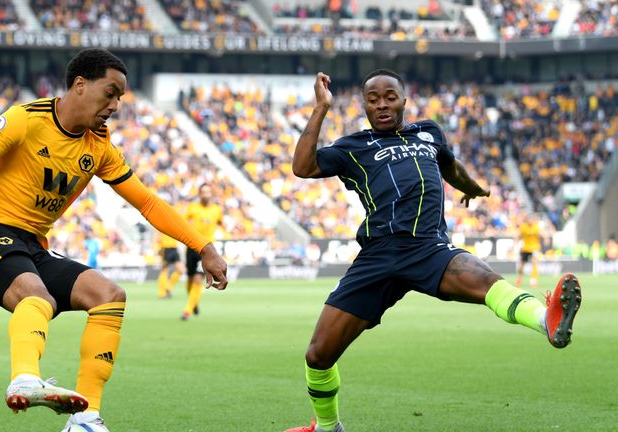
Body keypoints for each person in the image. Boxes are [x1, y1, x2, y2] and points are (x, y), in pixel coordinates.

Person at [0, 48, 228, 432]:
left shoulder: (99, 146)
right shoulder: (26, 119)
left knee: (110, 295)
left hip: (33, 245)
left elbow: (147, 203)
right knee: (37, 296)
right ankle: (24, 378)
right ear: (80, 85)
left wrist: (204, 246)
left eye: (121, 97)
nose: (116, 105)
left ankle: (86, 420)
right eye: (111, 92)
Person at [284, 70, 582, 432]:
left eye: (389, 96)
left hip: (429, 247)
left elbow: (449, 167)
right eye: (373, 98)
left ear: (404, 101)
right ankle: (328, 428)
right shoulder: (353, 147)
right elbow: (302, 167)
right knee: (318, 355)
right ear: (364, 105)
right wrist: (321, 108)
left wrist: (474, 188)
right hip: (378, 255)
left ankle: (546, 320)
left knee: (487, 280)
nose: (381, 104)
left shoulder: (428, 132)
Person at [182, 183, 223, 320]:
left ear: (211, 194)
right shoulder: (193, 208)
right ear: (200, 194)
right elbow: (182, 222)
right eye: (203, 192)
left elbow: (221, 223)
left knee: (199, 279)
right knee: (189, 279)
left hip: (206, 250)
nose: (206, 194)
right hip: (191, 247)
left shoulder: (216, 210)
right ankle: (193, 303)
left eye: (208, 192)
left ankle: (187, 311)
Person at [515, 213, 541, 288]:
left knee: (534, 263)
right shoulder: (523, 227)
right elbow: (519, 235)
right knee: (522, 265)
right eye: (529, 219)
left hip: (534, 248)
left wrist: (545, 238)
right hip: (525, 248)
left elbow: (540, 235)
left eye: (532, 219)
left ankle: (533, 281)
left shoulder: (536, 227)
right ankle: (519, 278)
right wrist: (516, 242)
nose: (531, 221)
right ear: (527, 220)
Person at [156, 231, 184, 299]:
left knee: (181, 270)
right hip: (165, 248)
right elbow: (157, 238)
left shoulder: (174, 222)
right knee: (164, 270)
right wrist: (158, 249)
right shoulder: (161, 223)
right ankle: (162, 293)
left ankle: (168, 287)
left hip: (174, 248)